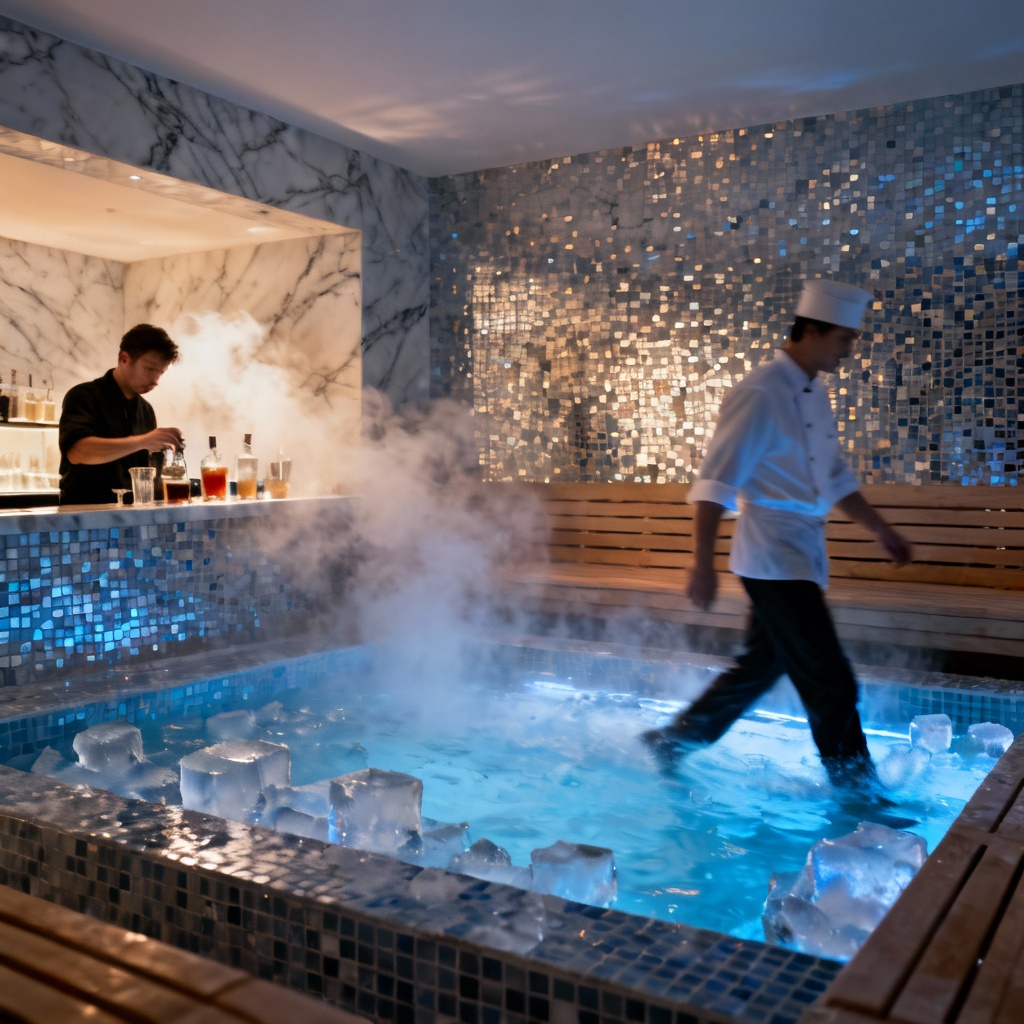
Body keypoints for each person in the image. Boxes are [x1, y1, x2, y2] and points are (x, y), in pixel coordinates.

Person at [643, 279, 913, 794]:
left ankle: (674, 740)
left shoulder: (814, 392)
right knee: (830, 679)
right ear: (811, 331)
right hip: (770, 556)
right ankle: (858, 793)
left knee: (762, 665)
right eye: (843, 340)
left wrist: (880, 529)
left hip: (800, 552)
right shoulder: (760, 392)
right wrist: (702, 563)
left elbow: (833, 477)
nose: (847, 351)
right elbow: (715, 483)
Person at [58, 324, 184, 505]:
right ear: (124, 358)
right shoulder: (84, 395)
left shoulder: (146, 410)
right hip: (85, 514)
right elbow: (77, 451)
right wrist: (143, 441)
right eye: (149, 369)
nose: (155, 381)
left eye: (160, 373)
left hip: (132, 515)